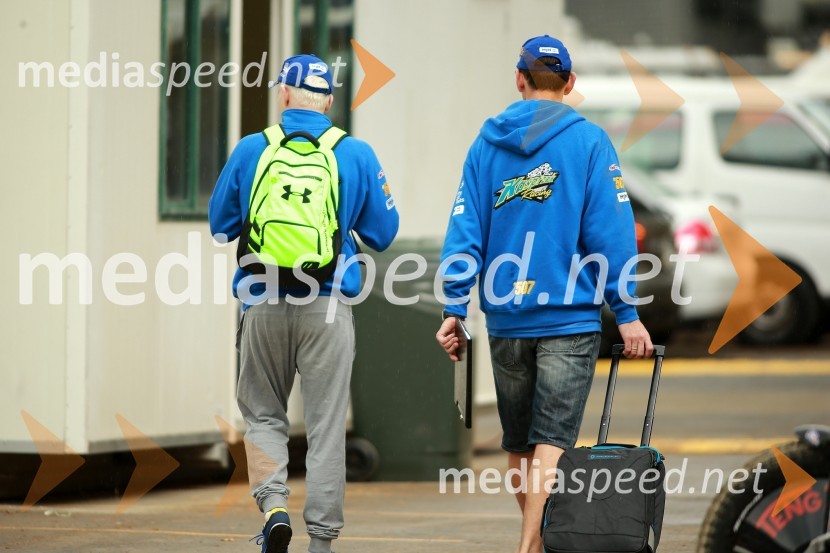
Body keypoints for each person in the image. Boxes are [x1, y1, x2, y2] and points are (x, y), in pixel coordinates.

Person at [434, 36, 653, 553]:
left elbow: (464, 232)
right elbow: (611, 233)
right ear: (570, 84)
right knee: (553, 442)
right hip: (568, 320)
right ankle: (531, 546)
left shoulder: (485, 146)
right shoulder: (591, 142)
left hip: (507, 320)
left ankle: (534, 537)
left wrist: (454, 307)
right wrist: (626, 311)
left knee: (519, 447)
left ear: (519, 80)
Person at [209, 54, 399, 553]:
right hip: (329, 304)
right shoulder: (355, 153)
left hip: (262, 301)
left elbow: (220, 224)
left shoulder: (253, 149)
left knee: (264, 416)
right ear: (331, 103)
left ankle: (274, 509)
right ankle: (321, 542)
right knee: (326, 426)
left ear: (284, 95)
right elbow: (383, 232)